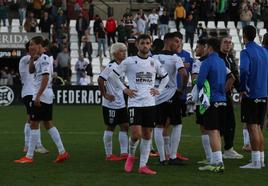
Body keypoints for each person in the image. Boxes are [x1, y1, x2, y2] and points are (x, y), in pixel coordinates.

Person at [109, 34, 169, 175]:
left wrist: (159, 90)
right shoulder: (129, 61)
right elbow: (113, 75)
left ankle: (143, 166)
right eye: (142, 43)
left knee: (147, 135)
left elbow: (165, 77)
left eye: (148, 43)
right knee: (136, 134)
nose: (145, 45)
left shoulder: (154, 62)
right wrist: (125, 89)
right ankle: (130, 155)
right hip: (135, 103)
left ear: (151, 44)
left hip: (150, 103)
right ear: (137, 44)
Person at [15, 36, 69, 163]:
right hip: (44, 94)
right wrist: (33, 58)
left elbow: (45, 77)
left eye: (32, 44)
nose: (30, 47)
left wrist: (38, 96)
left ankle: (29, 156)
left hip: (42, 95)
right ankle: (62, 152)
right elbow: (31, 70)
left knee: (34, 123)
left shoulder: (44, 59)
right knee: (47, 123)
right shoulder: (39, 59)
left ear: (39, 45)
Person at [152, 32, 188, 165]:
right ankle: (172, 156)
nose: (178, 44)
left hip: (156, 95)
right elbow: (184, 74)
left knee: (158, 125)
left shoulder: (153, 57)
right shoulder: (175, 57)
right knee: (177, 124)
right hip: (171, 94)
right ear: (168, 41)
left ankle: (162, 158)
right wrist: (182, 88)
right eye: (177, 41)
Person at [239, 25, 268, 169]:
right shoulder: (264, 51)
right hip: (263, 93)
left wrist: (243, 88)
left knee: (252, 127)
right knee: (258, 127)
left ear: (244, 35)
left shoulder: (246, 52)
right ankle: (260, 160)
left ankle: (256, 162)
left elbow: (244, 69)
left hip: (251, 94)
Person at [197, 38, 227, 173]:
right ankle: (216, 161)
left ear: (209, 47)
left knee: (212, 131)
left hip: (211, 100)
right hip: (222, 100)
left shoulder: (207, 62)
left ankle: (218, 163)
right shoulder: (221, 61)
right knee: (217, 131)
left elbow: (200, 82)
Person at [98, 43, 129, 161]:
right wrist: (104, 94)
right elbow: (100, 79)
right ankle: (109, 155)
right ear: (115, 53)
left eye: (125, 51)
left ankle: (124, 153)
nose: (124, 53)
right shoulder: (111, 66)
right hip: (110, 104)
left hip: (120, 103)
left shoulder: (122, 66)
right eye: (121, 51)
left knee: (125, 126)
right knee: (110, 126)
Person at [19, 41, 49, 154]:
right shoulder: (25, 59)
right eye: (33, 47)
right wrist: (41, 52)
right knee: (34, 119)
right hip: (28, 92)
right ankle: (35, 146)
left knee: (33, 119)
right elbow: (36, 57)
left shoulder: (32, 60)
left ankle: (29, 145)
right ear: (30, 49)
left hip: (32, 92)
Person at [219, 35, 243, 159]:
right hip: (219, 95)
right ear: (220, 44)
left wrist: (241, 90)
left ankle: (227, 149)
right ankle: (224, 150)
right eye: (225, 42)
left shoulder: (230, 58)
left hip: (226, 95)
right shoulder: (219, 58)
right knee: (222, 123)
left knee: (229, 123)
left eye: (230, 42)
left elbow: (235, 77)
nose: (228, 44)